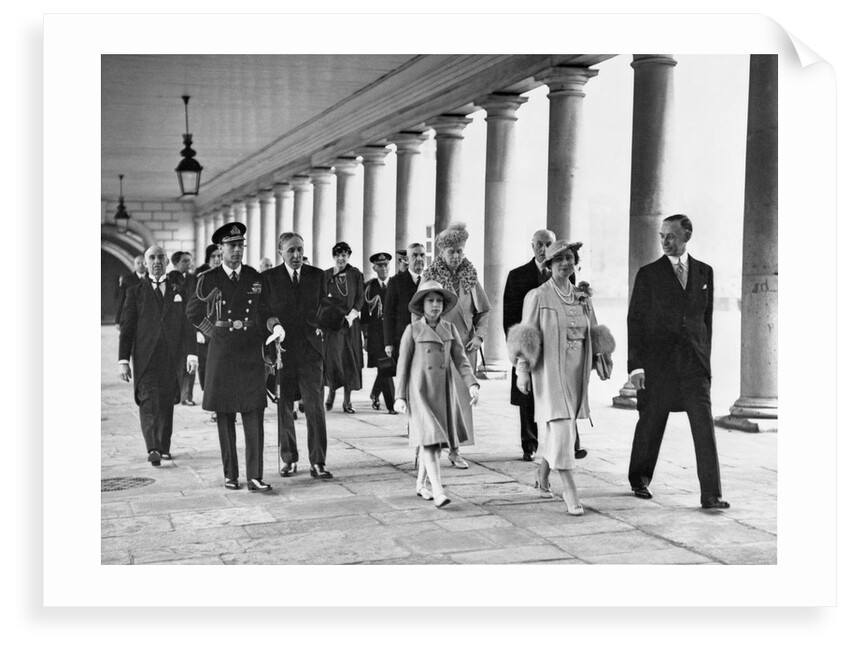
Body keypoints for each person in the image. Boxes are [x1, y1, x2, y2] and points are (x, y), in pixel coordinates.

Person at [626, 214, 729, 509]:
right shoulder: (648, 274)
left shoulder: (705, 273)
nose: (664, 242)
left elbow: (705, 323)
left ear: (687, 236)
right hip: (658, 367)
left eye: (670, 236)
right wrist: (636, 366)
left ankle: (711, 494)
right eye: (661, 236)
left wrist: (705, 363)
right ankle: (639, 479)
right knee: (651, 423)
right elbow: (635, 321)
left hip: (694, 368)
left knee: (704, 429)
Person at [508, 240, 614, 516]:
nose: (565, 263)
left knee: (560, 429)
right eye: (559, 260)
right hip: (549, 372)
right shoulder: (538, 296)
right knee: (563, 429)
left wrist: (603, 356)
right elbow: (527, 335)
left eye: (569, 258)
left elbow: (593, 329)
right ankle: (570, 491)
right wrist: (522, 370)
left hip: (576, 371)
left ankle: (542, 477)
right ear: (549, 265)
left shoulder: (582, 296)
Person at [186, 222, 271, 492]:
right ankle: (230, 474)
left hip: (249, 349)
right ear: (220, 249)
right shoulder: (208, 279)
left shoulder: (254, 276)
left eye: (240, 245)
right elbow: (192, 311)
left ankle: (255, 475)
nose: (237, 250)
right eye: (231, 246)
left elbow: (265, 310)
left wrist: (273, 330)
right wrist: (213, 332)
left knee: (254, 412)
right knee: (225, 414)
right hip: (222, 351)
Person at [394, 281, 480, 508]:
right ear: (421, 305)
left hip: (443, 392)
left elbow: (461, 361)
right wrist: (400, 396)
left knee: (431, 441)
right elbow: (402, 366)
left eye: (439, 301)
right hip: (420, 392)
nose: (435, 305)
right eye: (430, 301)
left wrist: (472, 383)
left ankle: (421, 484)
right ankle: (439, 491)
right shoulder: (412, 330)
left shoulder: (450, 330)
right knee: (431, 441)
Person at [260, 232, 333, 480]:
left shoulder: (316, 275)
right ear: (280, 252)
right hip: (283, 352)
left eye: (300, 250)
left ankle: (318, 462)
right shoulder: (269, 278)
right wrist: (274, 326)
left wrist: (333, 318)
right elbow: (265, 311)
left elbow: (325, 305)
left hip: (311, 351)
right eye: (291, 250)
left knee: (315, 407)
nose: (296, 255)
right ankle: (289, 458)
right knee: (284, 407)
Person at [118, 245, 198, 465]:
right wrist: (123, 360)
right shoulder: (135, 291)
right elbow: (127, 326)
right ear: (145, 262)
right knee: (148, 400)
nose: (156, 261)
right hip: (145, 357)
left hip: (171, 357)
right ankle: (152, 447)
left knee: (166, 402)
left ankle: (163, 446)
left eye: (160, 257)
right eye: (152, 257)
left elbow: (187, 324)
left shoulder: (179, 290)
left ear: (167, 262)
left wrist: (192, 354)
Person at [421, 222, 490, 470]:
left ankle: (455, 449)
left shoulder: (470, 278)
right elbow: (418, 314)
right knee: (435, 399)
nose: (456, 256)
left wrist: (479, 337)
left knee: (461, 401)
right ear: (442, 252)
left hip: (464, 348)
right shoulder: (429, 278)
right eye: (451, 251)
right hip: (436, 346)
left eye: (460, 250)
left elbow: (484, 312)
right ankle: (428, 447)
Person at [322, 241, 365, 413]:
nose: (341, 258)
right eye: (338, 255)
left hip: (350, 325)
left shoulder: (355, 274)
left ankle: (347, 401)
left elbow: (360, 298)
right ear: (334, 256)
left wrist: (352, 315)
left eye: (344, 255)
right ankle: (331, 391)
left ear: (348, 256)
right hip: (333, 326)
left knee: (350, 360)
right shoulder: (326, 275)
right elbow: (322, 299)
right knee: (333, 359)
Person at [362, 252, 397, 413]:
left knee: (387, 367)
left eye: (385, 265)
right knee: (385, 367)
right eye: (379, 266)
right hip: (376, 335)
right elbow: (364, 315)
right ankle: (391, 405)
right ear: (374, 268)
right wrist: (365, 336)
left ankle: (375, 393)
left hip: (393, 333)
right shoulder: (369, 287)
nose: (383, 268)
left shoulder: (396, 284)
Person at [383, 242, 427, 365]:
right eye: (415, 255)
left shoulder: (430, 281)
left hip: (426, 340)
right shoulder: (396, 282)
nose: (419, 259)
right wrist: (388, 343)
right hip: (402, 339)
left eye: (422, 255)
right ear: (407, 259)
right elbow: (388, 314)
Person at [114, 254, 147, 329]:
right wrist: (118, 320)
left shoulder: (152, 279)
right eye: (138, 263)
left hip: (148, 318)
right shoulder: (127, 280)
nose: (141, 265)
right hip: (132, 317)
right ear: (134, 265)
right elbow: (122, 300)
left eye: (143, 263)